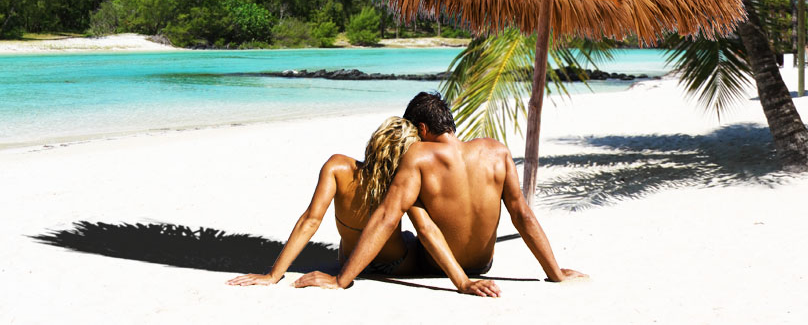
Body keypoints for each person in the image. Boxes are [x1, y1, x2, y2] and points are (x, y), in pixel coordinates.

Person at [294, 91, 587, 297]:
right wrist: (555, 273)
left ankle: (348, 263)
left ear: (421, 128)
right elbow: (522, 215)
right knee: (416, 211)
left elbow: (386, 216)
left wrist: (341, 280)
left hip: (435, 266)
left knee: (407, 223)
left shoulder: (420, 156)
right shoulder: (497, 152)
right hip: (484, 265)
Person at [227, 116, 458, 285]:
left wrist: (273, 275)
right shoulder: (402, 182)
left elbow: (310, 221)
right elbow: (425, 228)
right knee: (410, 237)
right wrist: (462, 282)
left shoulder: (337, 167)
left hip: (347, 261)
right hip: (397, 265)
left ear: (375, 141)